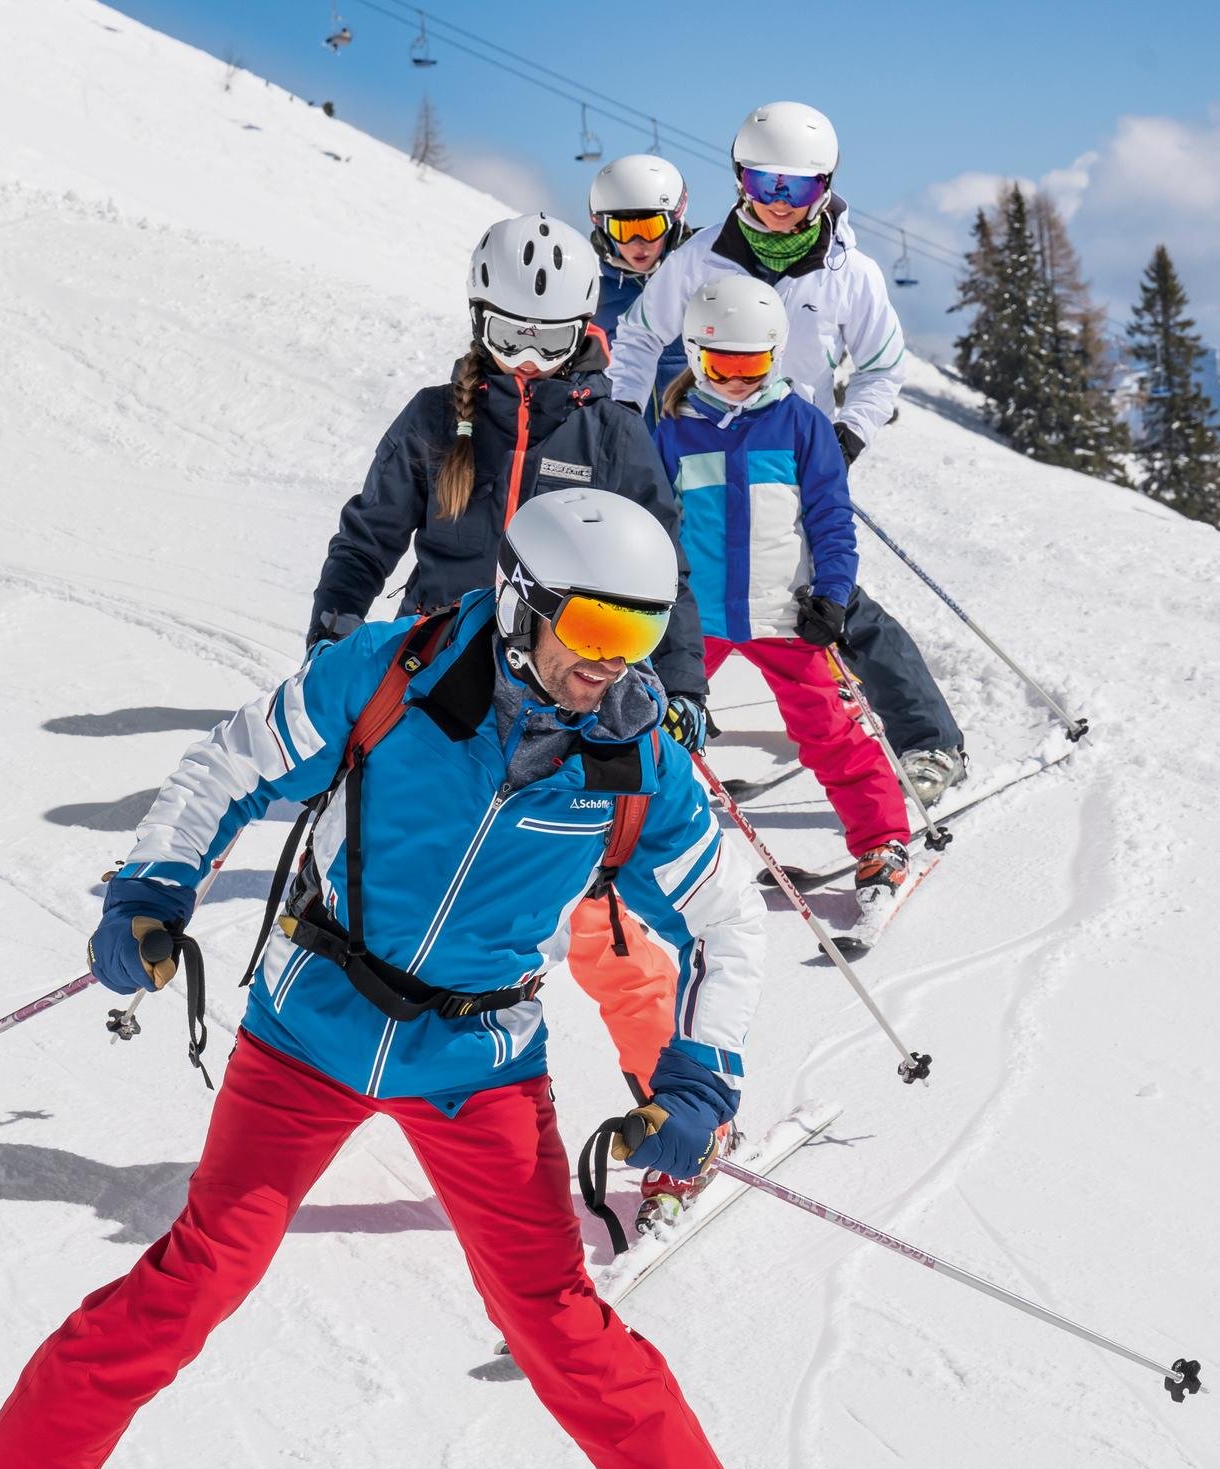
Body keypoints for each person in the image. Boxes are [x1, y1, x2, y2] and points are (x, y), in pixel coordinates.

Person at [0, 490, 769, 1469]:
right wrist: (154, 883)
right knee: (201, 1272)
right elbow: (232, 762)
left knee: (556, 1319)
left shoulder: (633, 764)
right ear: (520, 601)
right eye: (596, 632)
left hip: (478, 1060)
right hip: (309, 1025)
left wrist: (700, 1073)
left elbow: (728, 916)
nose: (615, 666)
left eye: (642, 638)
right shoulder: (389, 673)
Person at [305, 211, 702, 1101]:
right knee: (378, 884)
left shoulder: (614, 439)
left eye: (550, 339)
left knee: (603, 920)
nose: (528, 359)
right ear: (479, 320)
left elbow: (666, 570)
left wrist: (678, 682)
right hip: (435, 686)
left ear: (584, 329)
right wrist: (336, 624)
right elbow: (369, 536)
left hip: (572, 696)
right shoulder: (434, 422)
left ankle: (670, 1102)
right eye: (510, 335)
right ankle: (341, 1073)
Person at [608, 102, 973, 804]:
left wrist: (847, 437)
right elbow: (637, 340)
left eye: (797, 188)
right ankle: (660, 732)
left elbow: (882, 367)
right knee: (695, 598)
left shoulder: (850, 273)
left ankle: (929, 743)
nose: (778, 203)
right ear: (740, 180)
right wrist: (628, 421)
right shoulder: (699, 259)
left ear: (824, 187)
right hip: (708, 449)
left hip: (802, 454)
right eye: (764, 183)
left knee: (834, 603)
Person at [655, 275, 910, 913]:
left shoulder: (802, 425)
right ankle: (619, 843)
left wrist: (832, 593)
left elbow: (830, 518)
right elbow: (655, 526)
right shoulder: (671, 432)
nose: (737, 380)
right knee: (650, 727)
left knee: (830, 729)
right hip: (696, 620)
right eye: (722, 363)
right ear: (694, 354)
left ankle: (882, 841)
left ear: (775, 355)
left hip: (785, 616)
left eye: (752, 364)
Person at [587, 153, 693, 416]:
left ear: (673, 221)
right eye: (623, 230)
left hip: (695, 443)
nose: (637, 243)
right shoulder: (592, 302)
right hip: (625, 445)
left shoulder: (699, 282)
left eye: (650, 228)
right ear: (603, 229)